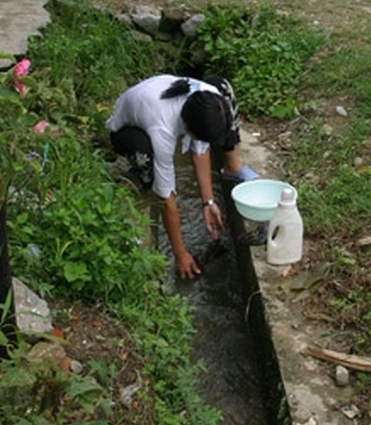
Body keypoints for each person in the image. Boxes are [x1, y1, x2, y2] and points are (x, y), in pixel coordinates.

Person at [107, 74, 259, 280]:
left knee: (224, 86)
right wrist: (180, 253)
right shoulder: (161, 129)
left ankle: (233, 168)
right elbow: (167, 199)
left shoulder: (210, 99)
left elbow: (200, 148)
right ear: (188, 129)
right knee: (147, 162)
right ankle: (140, 175)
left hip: (162, 105)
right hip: (126, 131)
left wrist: (208, 202)